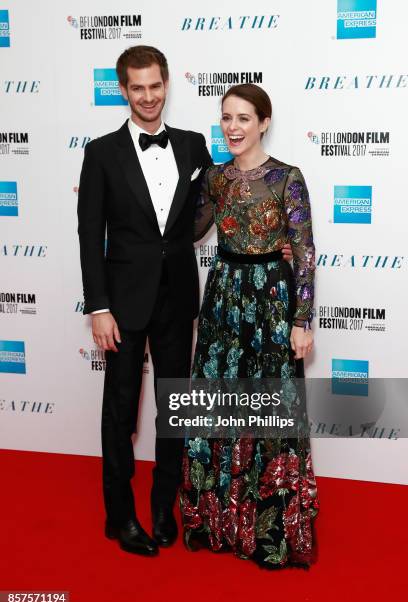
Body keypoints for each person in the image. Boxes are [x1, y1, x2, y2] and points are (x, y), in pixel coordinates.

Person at [78, 44, 295, 556]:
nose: (148, 96)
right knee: (120, 412)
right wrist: (98, 307)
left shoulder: (196, 146)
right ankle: (119, 516)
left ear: (167, 83)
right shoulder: (100, 153)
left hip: (178, 299)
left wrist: (274, 239)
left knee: (174, 410)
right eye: (137, 87)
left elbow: (225, 203)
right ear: (123, 89)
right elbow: (90, 235)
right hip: (123, 304)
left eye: (156, 85)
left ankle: (161, 509)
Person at [179, 84, 319, 569]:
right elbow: (186, 229)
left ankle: (269, 531)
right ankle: (219, 522)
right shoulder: (215, 179)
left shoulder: (286, 178)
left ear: (263, 122)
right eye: (226, 118)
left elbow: (303, 251)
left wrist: (302, 320)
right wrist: (121, 206)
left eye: (243, 118)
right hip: (223, 300)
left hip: (270, 301)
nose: (233, 127)